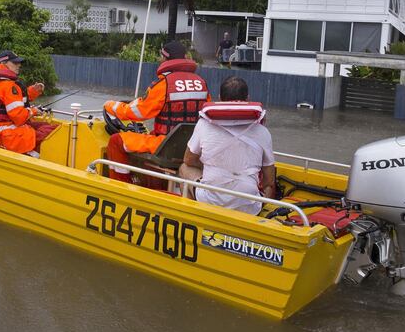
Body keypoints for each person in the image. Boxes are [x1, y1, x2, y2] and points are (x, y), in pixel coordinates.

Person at [103, 41, 209, 183]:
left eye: (161, 57)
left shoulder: (164, 84)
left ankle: (120, 185)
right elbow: (206, 114)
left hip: (166, 145)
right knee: (150, 134)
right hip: (192, 146)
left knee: (116, 141)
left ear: (165, 59)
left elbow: (139, 112)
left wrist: (111, 106)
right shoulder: (201, 82)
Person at [179, 76, 276, 215]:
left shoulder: (204, 125)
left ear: (219, 98)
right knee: (268, 188)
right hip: (248, 207)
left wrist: (208, 166)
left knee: (184, 168)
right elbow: (269, 179)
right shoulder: (262, 132)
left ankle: (191, 217)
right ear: (248, 99)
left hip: (210, 201)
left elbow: (188, 160)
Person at [0, 50, 47, 156]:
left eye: (19, 62)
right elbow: (18, 117)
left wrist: (33, 91)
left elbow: (11, 101)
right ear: (3, 64)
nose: (19, 65)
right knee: (49, 130)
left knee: (43, 127)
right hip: (7, 132)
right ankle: (38, 157)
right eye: (14, 63)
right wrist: (34, 110)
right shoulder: (8, 85)